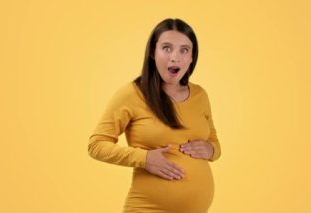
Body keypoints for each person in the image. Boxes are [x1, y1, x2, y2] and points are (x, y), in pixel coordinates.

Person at [88, 18, 221, 213]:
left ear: (192, 57)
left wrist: (210, 150)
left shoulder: (200, 95)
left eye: (184, 50)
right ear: (152, 53)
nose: (175, 57)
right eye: (167, 48)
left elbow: (214, 144)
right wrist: (144, 158)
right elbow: (96, 144)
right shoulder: (132, 94)